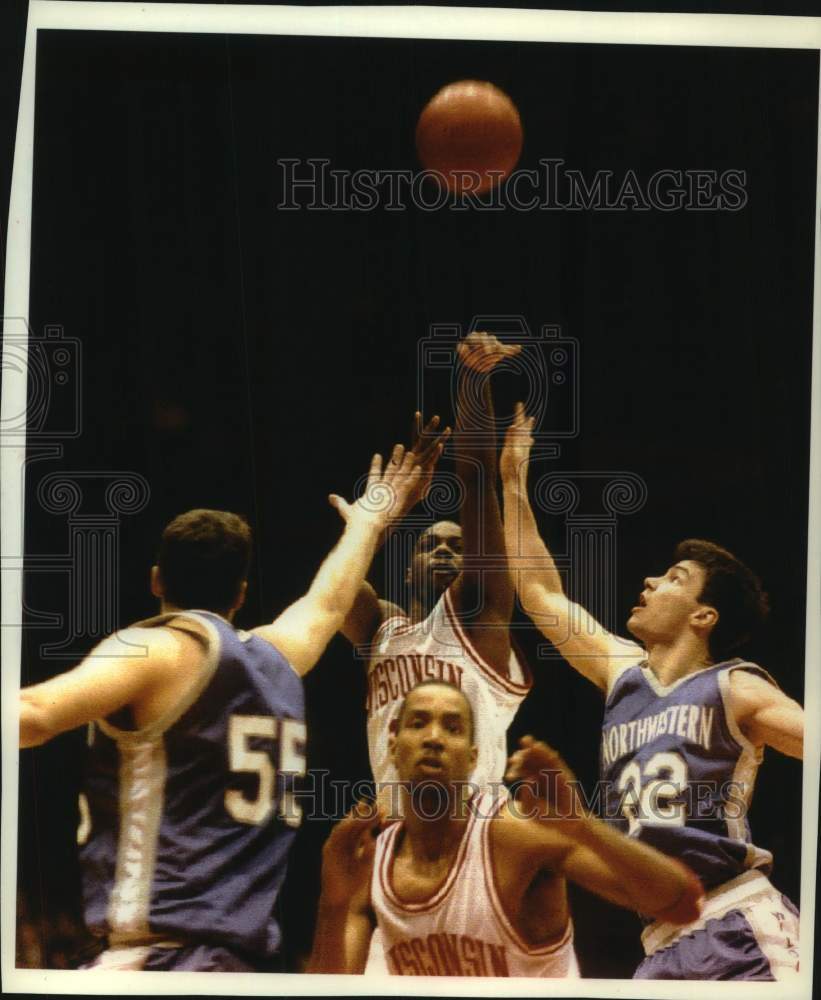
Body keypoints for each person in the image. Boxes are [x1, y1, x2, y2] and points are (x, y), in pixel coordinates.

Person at [18, 446, 427, 972]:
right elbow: (327, 602)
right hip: (242, 966)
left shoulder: (158, 652)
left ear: (156, 581)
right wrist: (368, 521)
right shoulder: (281, 655)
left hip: (161, 959)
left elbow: (31, 716)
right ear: (240, 594)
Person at [499, 403, 804, 980]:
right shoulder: (623, 671)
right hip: (658, 945)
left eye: (673, 580)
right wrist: (513, 479)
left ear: (704, 616)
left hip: (738, 922)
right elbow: (540, 594)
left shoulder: (735, 687)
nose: (650, 581)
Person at [308, 679, 705, 977]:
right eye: (417, 723)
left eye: (452, 727)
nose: (433, 738)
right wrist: (332, 903)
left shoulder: (513, 834)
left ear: (474, 757)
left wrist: (581, 826)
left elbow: (680, 903)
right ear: (392, 747)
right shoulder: (371, 859)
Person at [342, 332, 533, 802]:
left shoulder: (481, 612)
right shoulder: (380, 628)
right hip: (398, 837)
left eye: (457, 546)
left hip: (476, 833)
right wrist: (384, 513)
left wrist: (471, 380)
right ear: (408, 571)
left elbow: (474, 478)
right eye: (431, 544)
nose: (446, 551)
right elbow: (332, 593)